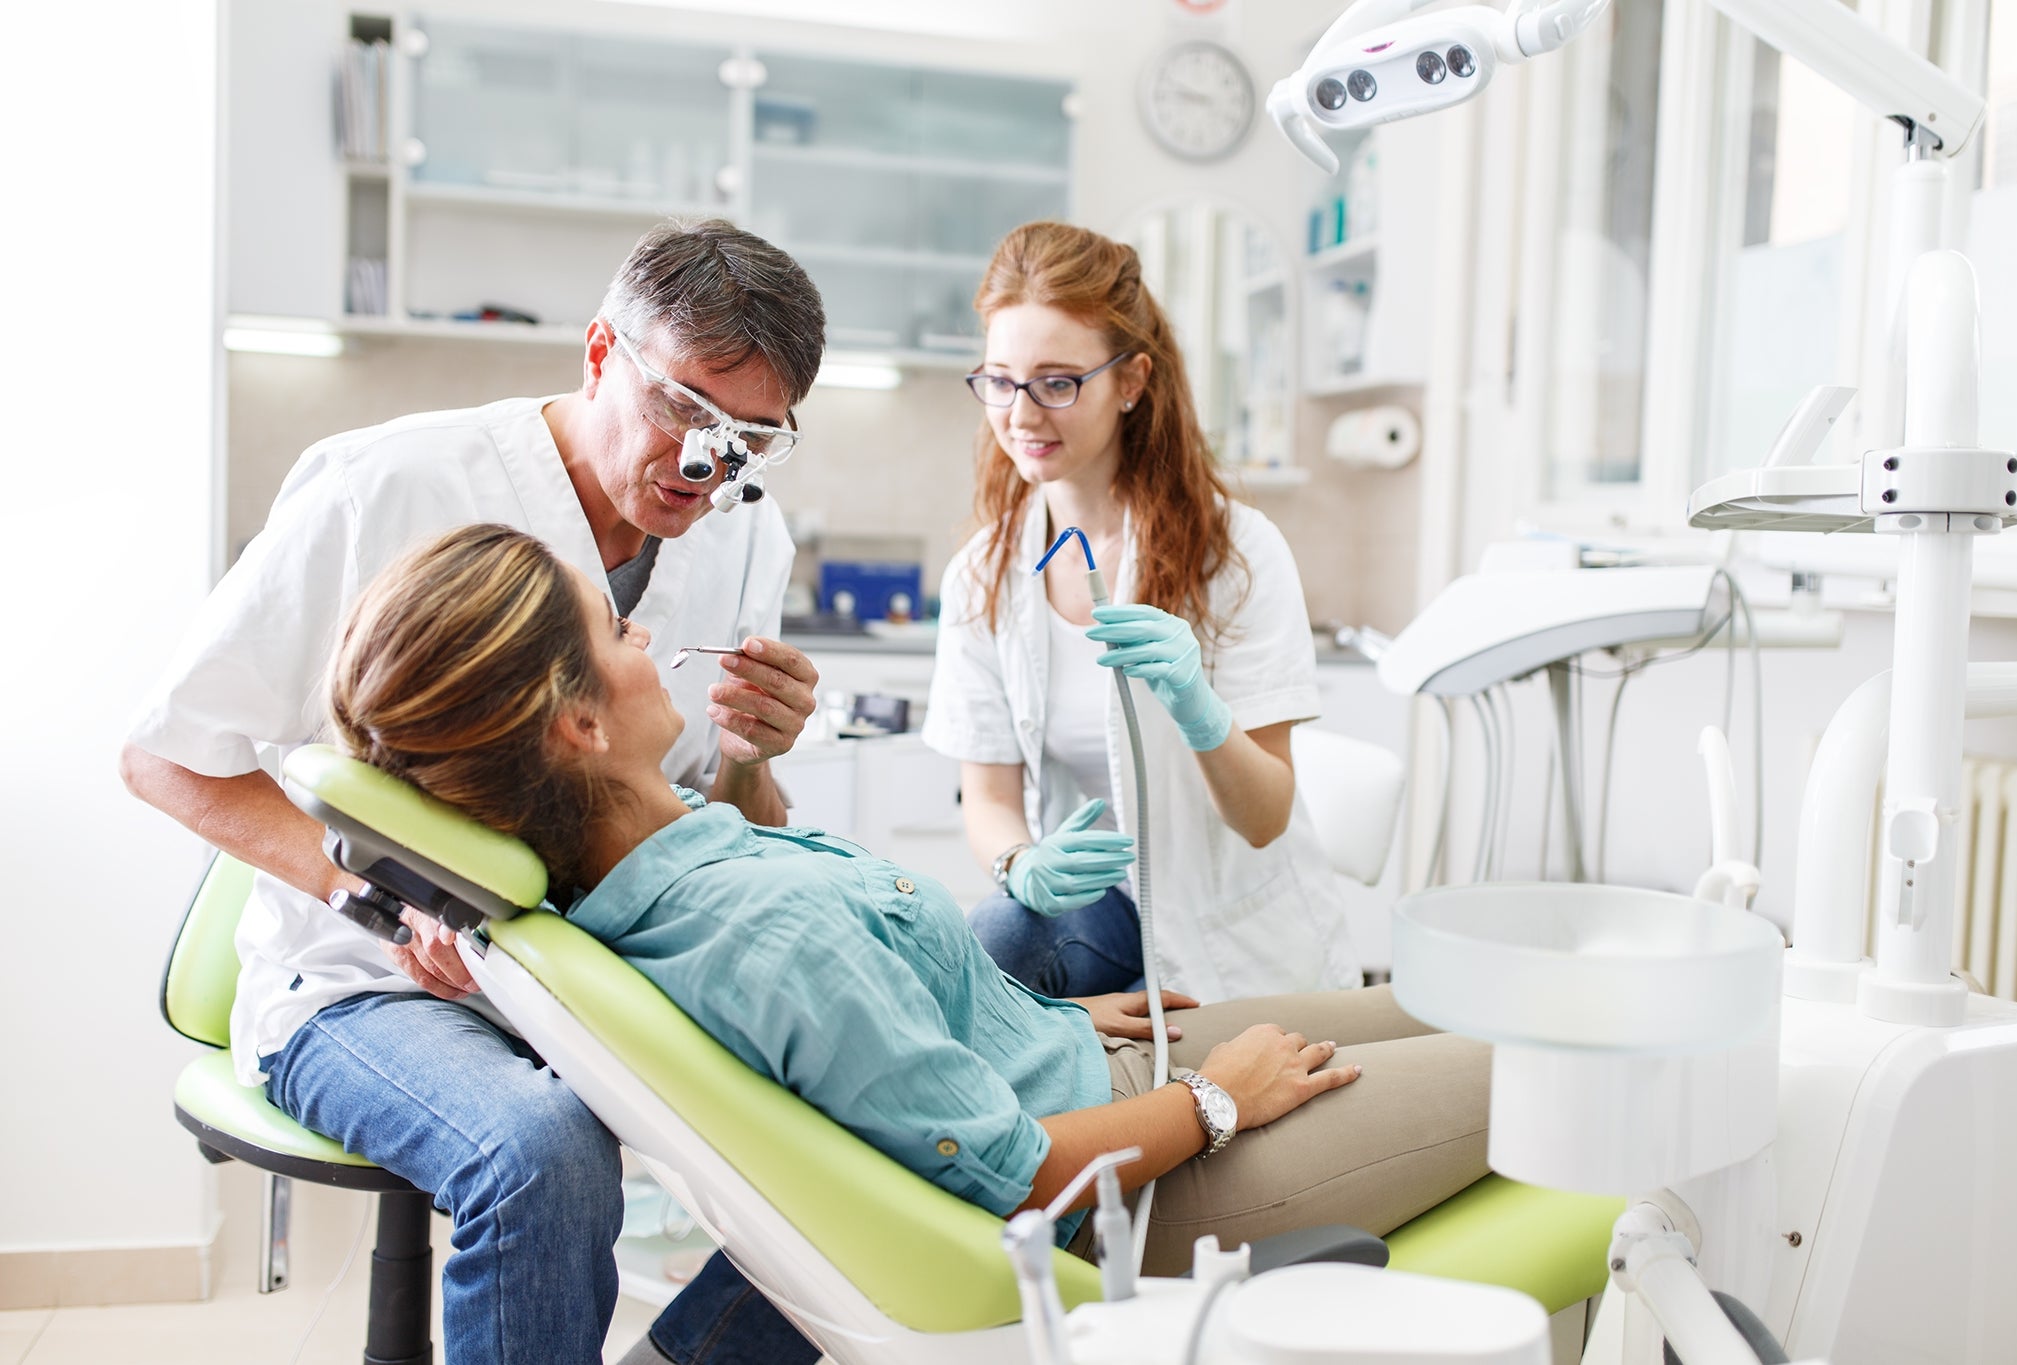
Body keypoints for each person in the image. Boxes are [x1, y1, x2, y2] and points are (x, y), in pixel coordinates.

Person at [328, 523, 1492, 1289]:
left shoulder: (663, 879)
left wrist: (1032, 1019)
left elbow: (875, 1047)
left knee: (1459, 1004)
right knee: (1552, 1069)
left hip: (1071, 1069)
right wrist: (1213, 1098)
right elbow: (1025, 1177)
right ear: (576, 727)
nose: (647, 640)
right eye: (618, 629)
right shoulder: (757, 933)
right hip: (1127, 1180)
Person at [122, 220, 825, 1365]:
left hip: (599, 983)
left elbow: (713, 819)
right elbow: (166, 756)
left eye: (749, 438)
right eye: (684, 412)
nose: (707, 464)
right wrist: (384, 905)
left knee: (874, 1104)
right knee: (539, 1148)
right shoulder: (388, 484)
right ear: (601, 350)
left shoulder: (747, 538)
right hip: (365, 987)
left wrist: (753, 752)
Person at [923, 221, 1355, 1001]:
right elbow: (987, 798)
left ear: (1131, 381)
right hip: (1099, 919)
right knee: (994, 938)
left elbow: (1264, 818)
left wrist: (1200, 710)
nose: (1020, 414)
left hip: (1229, 930)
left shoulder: (1239, 553)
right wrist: (1022, 863)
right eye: (1000, 379)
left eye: (1057, 382)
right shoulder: (981, 575)